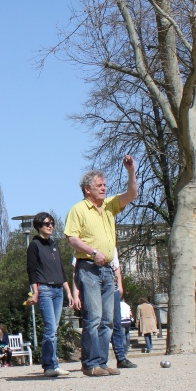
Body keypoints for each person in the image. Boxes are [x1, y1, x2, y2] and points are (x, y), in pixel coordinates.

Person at [63, 157, 138, 377]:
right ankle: (90, 364)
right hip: (88, 268)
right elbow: (72, 238)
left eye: (105, 185)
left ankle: (102, 363)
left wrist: (131, 171)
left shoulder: (109, 206)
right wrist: (93, 252)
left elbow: (132, 194)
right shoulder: (78, 210)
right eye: (99, 185)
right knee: (94, 318)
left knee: (108, 320)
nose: (104, 188)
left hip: (107, 269)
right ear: (88, 189)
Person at [27, 212, 74, 377]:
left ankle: (53, 364)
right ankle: (50, 366)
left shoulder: (54, 244)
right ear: (39, 226)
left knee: (54, 329)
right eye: (47, 224)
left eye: (52, 223)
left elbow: (61, 270)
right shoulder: (34, 245)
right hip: (45, 290)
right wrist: (35, 292)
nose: (51, 226)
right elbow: (31, 270)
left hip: (58, 290)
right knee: (50, 329)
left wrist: (69, 292)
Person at [109, 251, 137, 368]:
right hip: (95, 285)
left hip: (113, 287)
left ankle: (121, 358)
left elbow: (116, 267)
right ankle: (95, 361)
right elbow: (76, 269)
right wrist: (75, 293)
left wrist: (120, 285)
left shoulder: (111, 246)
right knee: (97, 323)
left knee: (116, 324)